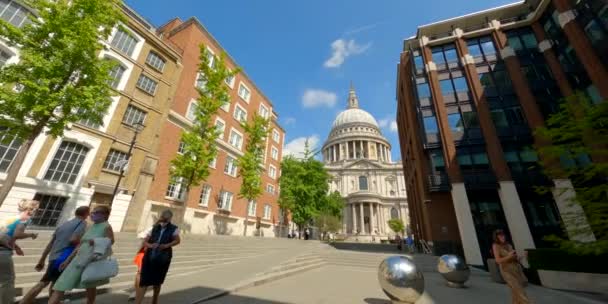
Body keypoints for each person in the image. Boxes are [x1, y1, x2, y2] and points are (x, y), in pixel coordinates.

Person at [20, 206, 90, 304]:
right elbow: (73, 239)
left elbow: (51, 243)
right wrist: (84, 242)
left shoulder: (64, 224)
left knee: (56, 283)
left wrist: (42, 259)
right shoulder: (82, 223)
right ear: (87, 214)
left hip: (53, 256)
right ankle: (24, 302)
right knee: (45, 282)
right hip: (63, 257)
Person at [48, 206, 115, 304]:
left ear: (105, 215)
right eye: (92, 212)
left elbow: (111, 241)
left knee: (90, 285)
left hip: (91, 260)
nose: (92, 214)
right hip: (78, 259)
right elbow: (80, 245)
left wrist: (97, 241)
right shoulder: (90, 226)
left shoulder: (106, 226)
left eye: (96, 212)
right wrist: (67, 261)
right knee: (61, 284)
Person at [135, 210, 181, 304]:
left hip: (163, 258)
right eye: (163, 217)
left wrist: (166, 245)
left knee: (157, 281)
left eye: (166, 218)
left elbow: (177, 240)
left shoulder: (174, 229)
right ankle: (138, 302)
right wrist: (150, 245)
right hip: (149, 256)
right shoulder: (154, 227)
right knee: (144, 281)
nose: (164, 220)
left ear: (170, 218)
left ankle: (155, 299)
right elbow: (145, 241)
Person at [0, 199, 39, 304]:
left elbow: (4, 235)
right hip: (3, 252)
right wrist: (31, 235)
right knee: (7, 280)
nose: (36, 211)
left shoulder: (10, 218)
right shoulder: (24, 219)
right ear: (30, 210)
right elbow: (17, 234)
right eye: (36, 209)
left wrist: (16, 247)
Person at [492, 229, 530, 304]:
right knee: (520, 291)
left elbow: (516, 259)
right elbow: (498, 260)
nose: (502, 237)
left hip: (515, 269)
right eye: (500, 236)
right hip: (506, 270)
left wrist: (523, 255)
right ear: (496, 237)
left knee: (515, 292)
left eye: (503, 235)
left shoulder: (509, 245)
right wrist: (509, 256)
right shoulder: (496, 246)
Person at [128, 222, 158, 301]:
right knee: (140, 273)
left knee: (143, 274)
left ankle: (139, 293)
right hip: (144, 254)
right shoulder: (151, 229)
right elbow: (141, 236)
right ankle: (136, 292)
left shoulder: (165, 230)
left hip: (153, 255)